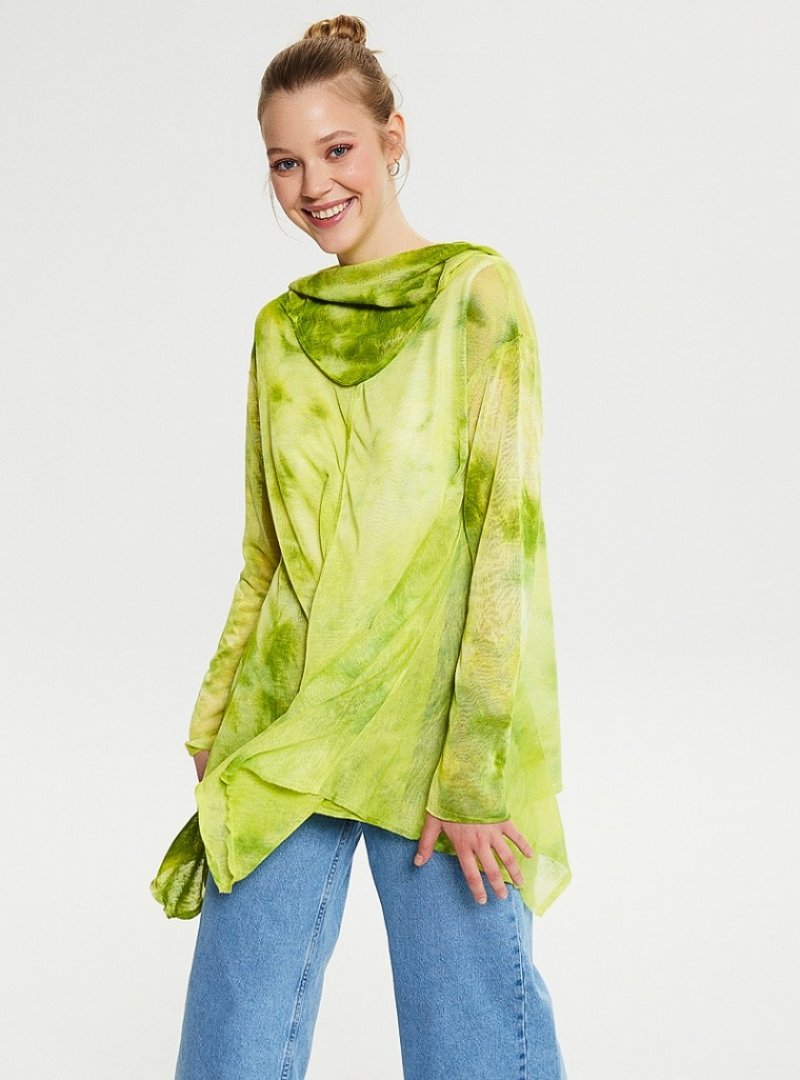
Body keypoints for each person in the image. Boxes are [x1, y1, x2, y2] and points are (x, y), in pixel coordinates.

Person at [151, 14, 572, 1079]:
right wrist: (216, 719)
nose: (312, 185)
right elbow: (267, 553)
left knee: (472, 1041)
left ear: (392, 137)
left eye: (334, 149)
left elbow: (503, 544)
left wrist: (471, 775)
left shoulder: (475, 295)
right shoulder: (279, 330)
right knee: (231, 1043)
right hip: (288, 720)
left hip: (431, 735)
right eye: (284, 162)